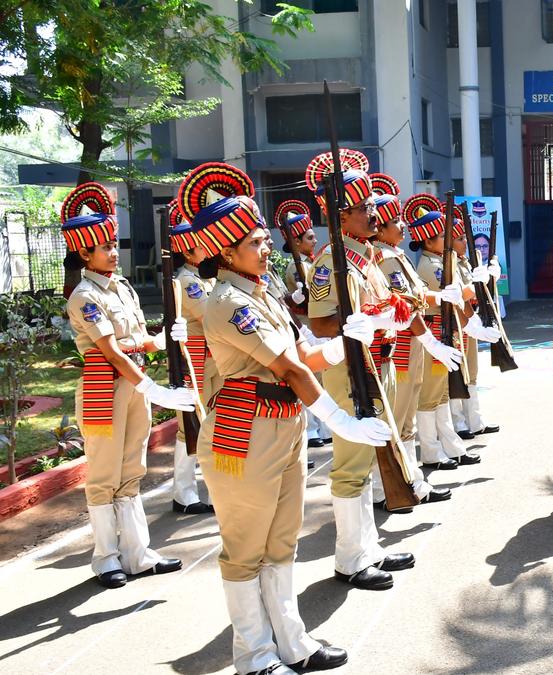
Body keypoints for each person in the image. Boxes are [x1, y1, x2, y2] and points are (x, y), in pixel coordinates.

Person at [178, 161, 382, 674]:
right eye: (253, 241)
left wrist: (340, 344)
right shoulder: (227, 302)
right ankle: (253, 655)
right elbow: (288, 366)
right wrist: (339, 420)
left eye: (264, 238)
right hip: (245, 432)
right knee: (246, 548)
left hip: (283, 422)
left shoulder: (261, 291)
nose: (266, 246)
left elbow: (302, 354)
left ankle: (292, 642)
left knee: (281, 540)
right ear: (225, 252)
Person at [305, 151, 459, 590]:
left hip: (381, 362)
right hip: (352, 368)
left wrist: (413, 331)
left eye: (373, 207)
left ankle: (368, 549)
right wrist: (364, 322)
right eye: (363, 209)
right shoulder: (331, 261)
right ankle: (350, 558)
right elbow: (321, 322)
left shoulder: (366, 257)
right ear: (341, 216)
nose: (373, 214)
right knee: (352, 463)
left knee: (374, 455)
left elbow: (392, 305)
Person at [62, 182, 194, 589]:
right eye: (103, 247)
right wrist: (151, 381)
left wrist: (158, 339)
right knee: (104, 474)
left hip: (133, 381)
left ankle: (138, 553)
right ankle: (105, 557)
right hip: (107, 387)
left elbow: (132, 343)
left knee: (132, 469)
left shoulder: (122, 286)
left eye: (112, 245)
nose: (113, 252)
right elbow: (110, 350)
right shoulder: (84, 295)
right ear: (84, 254)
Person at [365, 174, 452, 512]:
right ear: (381, 228)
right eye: (395, 221)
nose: (403, 225)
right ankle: (383, 486)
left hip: (413, 339)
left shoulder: (396, 256)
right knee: (395, 417)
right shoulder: (385, 260)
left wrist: (438, 295)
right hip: (400, 342)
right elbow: (404, 299)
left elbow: (415, 295)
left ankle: (411, 478)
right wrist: (432, 297)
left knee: (408, 418)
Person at [403, 193, 500, 470]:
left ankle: (451, 447)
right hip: (435, 330)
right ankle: (432, 452)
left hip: (447, 329)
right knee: (431, 397)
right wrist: (483, 280)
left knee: (442, 394)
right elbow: (455, 296)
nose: (449, 239)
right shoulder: (431, 267)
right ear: (429, 240)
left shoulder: (440, 263)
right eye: (443, 235)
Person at [167, 200, 216, 514]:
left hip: (213, 356)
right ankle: (183, 493)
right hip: (196, 357)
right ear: (187, 252)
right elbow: (209, 313)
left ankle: (211, 489)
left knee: (210, 422)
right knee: (191, 425)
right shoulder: (188, 281)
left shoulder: (205, 277)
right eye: (201, 245)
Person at [275, 200, 331, 452]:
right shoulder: (295, 267)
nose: (314, 241)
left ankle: (324, 426)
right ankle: (311, 429)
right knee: (311, 377)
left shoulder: (311, 263)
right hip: (306, 325)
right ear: (296, 242)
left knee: (324, 378)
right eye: (309, 237)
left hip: (317, 325)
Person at [450, 210, 503, 439]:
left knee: (471, 373)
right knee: (456, 375)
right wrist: (476, 283)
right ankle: (459, 423)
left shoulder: (463, 261)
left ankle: (475, 420)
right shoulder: (447, 262)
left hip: (469, 319)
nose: (464, 242)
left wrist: (491, 275)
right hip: (456, 324)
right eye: (459, 238)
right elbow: (457, 294)